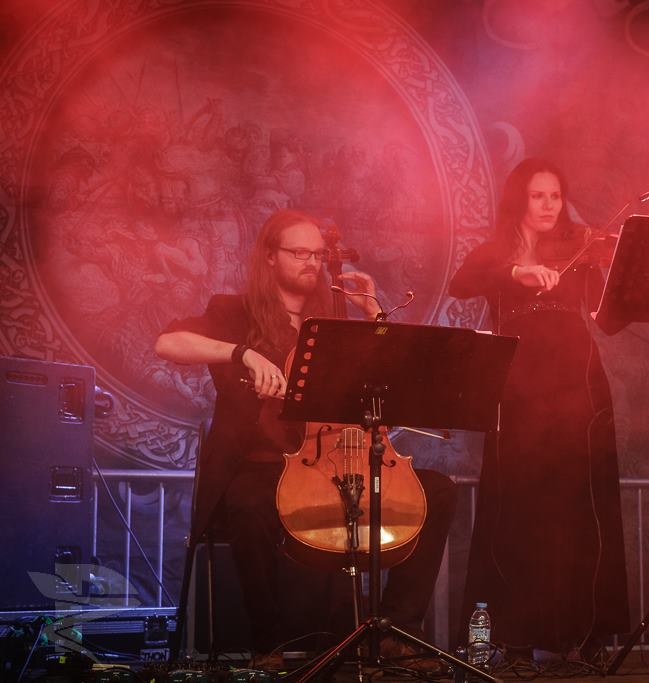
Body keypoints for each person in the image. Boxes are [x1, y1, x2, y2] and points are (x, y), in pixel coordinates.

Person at [155, 208, 456, 671]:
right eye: (300, 252)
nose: (312, 262)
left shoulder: (332, 317)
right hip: (262, 462)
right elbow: (168, 343)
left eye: (317, 254)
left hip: (338, 460)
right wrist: (243, 353)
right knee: (249, 503)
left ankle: (398, 627)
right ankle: (268, 644)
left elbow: (395, 376)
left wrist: (373, 313)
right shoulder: (232, 310)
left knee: (437, 490)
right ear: (270, 256)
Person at [449, 158, 629, 661]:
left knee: (580, 505)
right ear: (519, 200)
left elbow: (609, 319)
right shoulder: (495, 253)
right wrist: (517, 272)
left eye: (555, 196)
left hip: (579, 386)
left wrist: (619, 269)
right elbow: (462, 282)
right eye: (537, 196)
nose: (549, 206)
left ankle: (585, 631)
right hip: (519, 389)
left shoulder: (578, 250)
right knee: (519, 507)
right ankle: (515, 634)